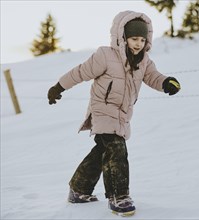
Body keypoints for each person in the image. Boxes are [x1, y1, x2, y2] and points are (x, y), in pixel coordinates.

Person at [47, 11, 181, 217]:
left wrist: (166, 83)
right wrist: (58, 87)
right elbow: (81, 72)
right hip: (102, 110)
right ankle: (119, 196)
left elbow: (154, 77)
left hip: (123, 114)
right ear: (123, 37)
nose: (138, 43)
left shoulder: (144, 61)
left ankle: (79, 189)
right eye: (134, 38)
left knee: (103, 150)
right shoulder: (105, 56)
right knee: (117, 150)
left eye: (142, 39)